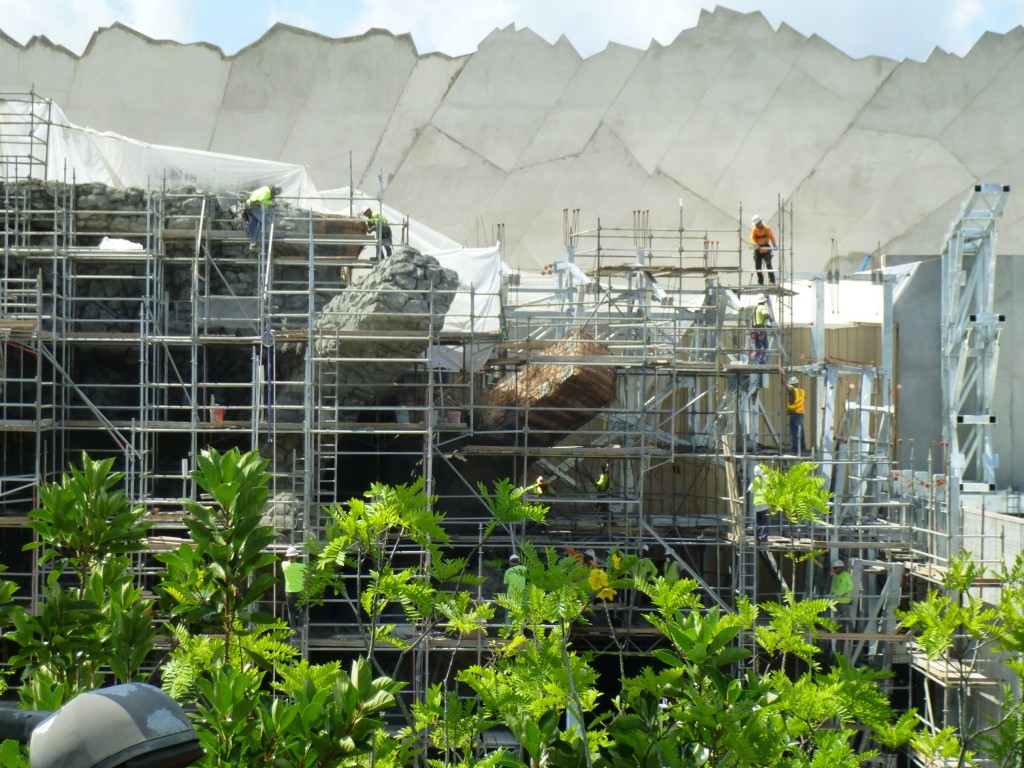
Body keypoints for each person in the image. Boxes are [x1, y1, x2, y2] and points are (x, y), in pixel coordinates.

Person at [245, 183, 282, 252]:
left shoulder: (264, 188)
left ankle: (253, 243)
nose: (274, 195)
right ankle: (258, 239)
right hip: (253, 206)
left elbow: (252, 194)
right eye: (275, 194)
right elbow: (262, 200)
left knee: (253, 225)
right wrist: (271, 203)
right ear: (274, 190)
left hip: (248, 205)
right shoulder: (268, 191)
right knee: (265, 221)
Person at [281, 545, 307, 631]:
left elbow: (288, 562)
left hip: (289, 591)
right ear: (296, 556)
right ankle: (300, 625)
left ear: (288, 556)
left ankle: (293, 629)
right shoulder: (302, 566)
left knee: (291, 611)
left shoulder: (284, 565)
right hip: (300, 590)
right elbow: (308, 574)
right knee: (303, 608)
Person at [749, 214, 777, 285]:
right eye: (755, 224)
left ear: (760, 222)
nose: (756, 225)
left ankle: (772, 281)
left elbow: (771, 237)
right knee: (758, 267)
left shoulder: (767, 228)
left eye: (757, 224)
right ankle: (760, 282)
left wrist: (774, 245)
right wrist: (755, 244)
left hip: (766, 248)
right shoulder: (754, 229)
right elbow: (751, 239)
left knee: (769, 265)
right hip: (758, 249)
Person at [503, 553, 527, 631]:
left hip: (510, 596)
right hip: (521, 597)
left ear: (510, 562)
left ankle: (508, 633)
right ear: (519, 562)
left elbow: (505, 584)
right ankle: (519, 633)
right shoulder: (524, 569)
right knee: (519, 616)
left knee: (509, 615)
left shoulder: (508, 571)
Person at [829, 559, 854, 628]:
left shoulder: (846, 575)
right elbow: (834, 587)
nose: (835, 569)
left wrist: (845, 593)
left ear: (842, 568)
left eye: (836, 568)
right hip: (836, 600)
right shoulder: (836, 576)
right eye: (834, 568)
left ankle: (851, 632)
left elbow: (850, 585)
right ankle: (839, 634)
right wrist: (830, 594)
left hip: (844, 600)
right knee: (837, 618)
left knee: (846, 617)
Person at [786, 375, 807, 455]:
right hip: (801, 413)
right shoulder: (802, 391)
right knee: (801, 430)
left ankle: (795, 448)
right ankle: (803, 447)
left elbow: (787, 386)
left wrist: (782, 375)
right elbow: (804, 398)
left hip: (794, 413)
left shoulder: (793, 390)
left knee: (794, 431)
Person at [751, 295, 770, 364]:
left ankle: (756, 361)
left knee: (758, 346)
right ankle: (760, 360)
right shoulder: (762, 307)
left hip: (755, 329)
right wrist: (770, 318)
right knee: (765, 346)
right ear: (763, 301)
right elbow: (765, 315)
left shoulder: (756, 308)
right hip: (761, 329)